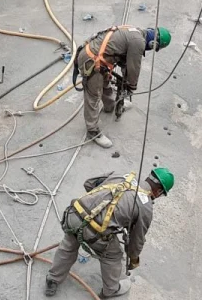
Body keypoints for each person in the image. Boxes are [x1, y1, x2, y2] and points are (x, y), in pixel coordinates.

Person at [45, 167, 174, 298]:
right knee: (113, 256)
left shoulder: (124, 175)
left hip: (73, 214)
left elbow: (89, 183)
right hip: (93, 232)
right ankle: (110, 290)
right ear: (158, 191)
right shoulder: (145, 207)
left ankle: (52, 279)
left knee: (68, 245)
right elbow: (137, 240)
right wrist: (133, 259)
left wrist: (98, 206)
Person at [74, 26, 171, 148]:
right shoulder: (139, 42)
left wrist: (126, 81)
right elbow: (134, 67)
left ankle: (110, 105)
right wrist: (131, 86)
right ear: (153, 44)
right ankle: (92, 131)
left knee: (105, 84)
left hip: (99, 58)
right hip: (91, 60)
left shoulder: (136, 32)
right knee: (93, 95)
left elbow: (124, 60)